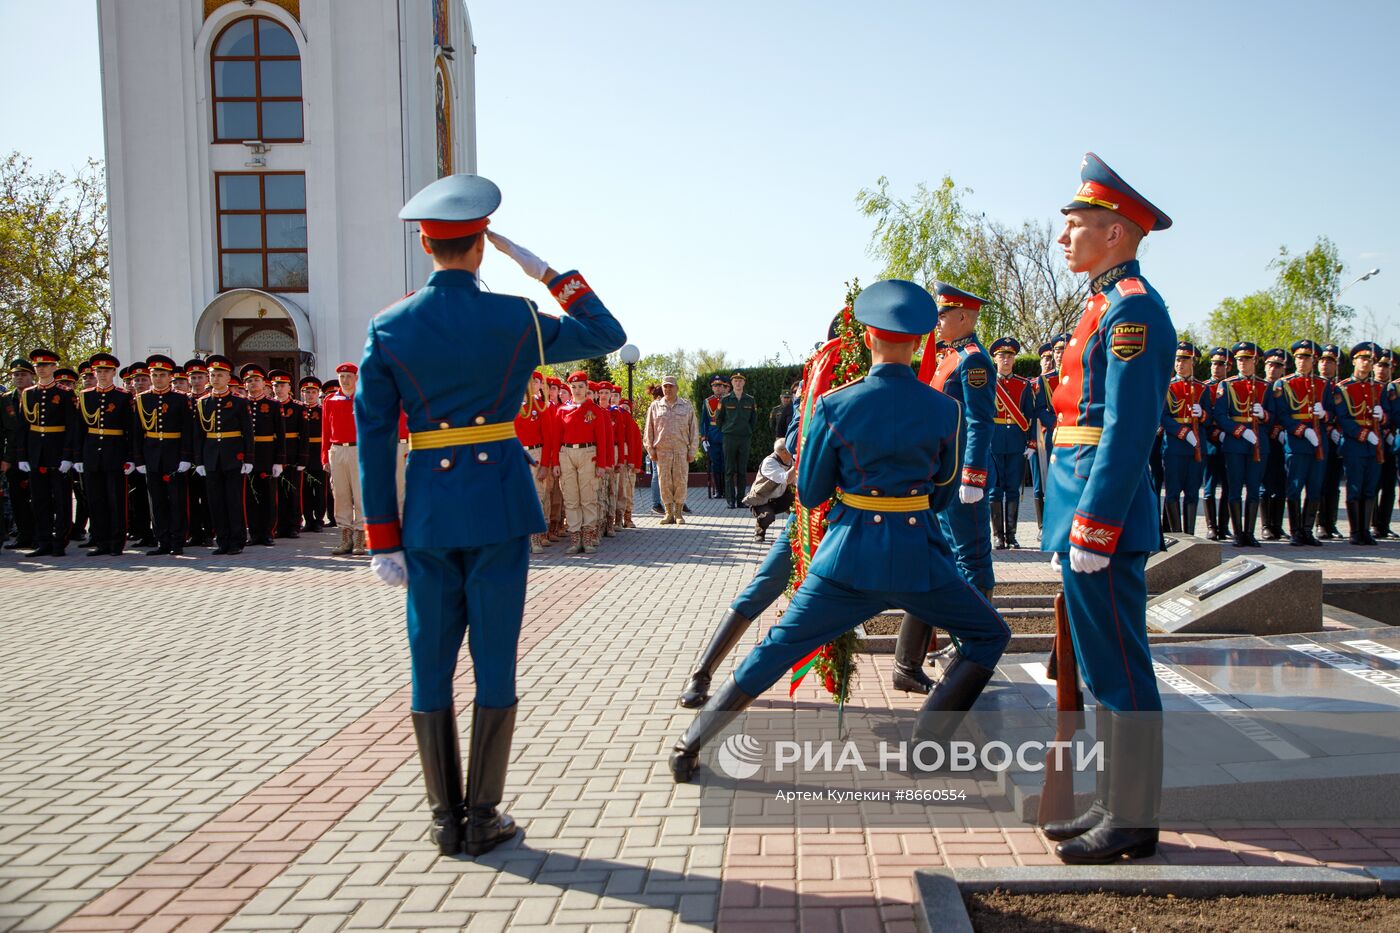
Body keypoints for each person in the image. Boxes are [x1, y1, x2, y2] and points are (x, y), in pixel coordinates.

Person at [354, 173, 625, 857]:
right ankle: (484, 815)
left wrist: (382, 535)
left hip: (428, 516)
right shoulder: (515, 316)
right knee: (496, 657)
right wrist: (540, 269)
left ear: (424, 241)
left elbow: (375, 436)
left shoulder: (388, 326)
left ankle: (445, 817)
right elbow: (607, 332)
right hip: (501, 505)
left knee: (429, 660)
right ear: (483, 245)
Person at [669, 279, 1010, 782]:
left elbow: (810, 492)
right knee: (988, 634)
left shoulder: (833, 404)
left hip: (848, 560)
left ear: (868, 337)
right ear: (919, 343)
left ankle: (688, 745)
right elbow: (941, 491)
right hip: (921, 558)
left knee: (777, 648)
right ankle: (927, 744)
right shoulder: (945, 408)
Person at [1040, 152, 1174, 865]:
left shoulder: (1133, 311)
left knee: (1121, 666)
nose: (1064, 237)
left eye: (1078, 225)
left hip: (1104, 511)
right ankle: (1114, 801)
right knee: (1099, 665)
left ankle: (1134, 817)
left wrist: (1093, 523)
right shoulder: (1102, 304)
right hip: (1081, 502)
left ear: (1116, 234)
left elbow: (1127, 426)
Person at [890, 283, 996, 696]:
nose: (939, 321)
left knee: (972, 564)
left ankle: (970, 653)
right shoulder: (948, 358)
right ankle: (915, 661)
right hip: (941, 479)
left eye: (945, 314)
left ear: (966, 318)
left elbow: (980, 422)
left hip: (960, 483)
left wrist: (972, 475)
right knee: (940, 563)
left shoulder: (973, 361)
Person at [1211, 342, 1274, 548]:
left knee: (1254, 489)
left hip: (1258, 442)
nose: (1243, 363)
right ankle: (1238, 533)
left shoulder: (1265, 386)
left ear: (1255, 361)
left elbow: (1275, 416)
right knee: (1235, 488)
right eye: (1239, 359)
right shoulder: (1226, 385)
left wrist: (1263, 415)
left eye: (1247, 359)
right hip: (1236, 442)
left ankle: (1250, 532)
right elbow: (1220, 415)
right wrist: (1240, 431)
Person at [17, 348, 78, 558]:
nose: (41, 369)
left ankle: (60, 541)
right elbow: (23, 426)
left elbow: (72, 427)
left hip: (57, 450)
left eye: (45, 365)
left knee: (61, 499)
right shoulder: (28, 393)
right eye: (37, 366)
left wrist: (68, 456)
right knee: (39, 499)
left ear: (53, 368)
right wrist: (23, 455)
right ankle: (43, 540)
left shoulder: (64, 392)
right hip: (36, 452)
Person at [544, 372, 613, 553]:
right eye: (573, 387)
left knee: (588, 496)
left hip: (588, 453)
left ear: (587, 388)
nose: (577, 390)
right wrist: (555, 463)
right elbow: (555, 438)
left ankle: (588, 538)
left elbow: (602, 439)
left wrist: (601, 464)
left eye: (581, 387)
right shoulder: (562, 410)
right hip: (566, 454)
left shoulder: (594, 410)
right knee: (571, 497)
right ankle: (575, 538)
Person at [73, 352, 134, 557]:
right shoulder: (85, 395)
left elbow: (130, 429)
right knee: (95, 499)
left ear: (114, 372)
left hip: (114, 452)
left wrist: (130, 457)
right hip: (91, 453)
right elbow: (80, 429)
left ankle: (117, 542)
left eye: (106, 371)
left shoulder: (123, 396)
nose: (102, 374)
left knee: (115, 499)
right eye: (98, 370)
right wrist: (78, 457)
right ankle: (101, 541)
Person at [192, 355, 253, 555]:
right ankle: (222, 540)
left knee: (234, 500)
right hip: (211, 458)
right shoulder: (202, 403)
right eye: (212, 375)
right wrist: (199, 461)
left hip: (233, 456)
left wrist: (248, 458)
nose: (216, 379)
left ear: (228, 378)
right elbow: (199, 435)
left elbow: (247, 433)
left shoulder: (238, 402)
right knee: (215, 501)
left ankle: (237, 540)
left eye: (220, 375)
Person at [134, 355, 194, 556]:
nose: (158, 378)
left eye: (162, 375)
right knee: (156, 501)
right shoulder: (142, 399)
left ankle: (178, 540)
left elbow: (187, 430)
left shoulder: (180, 399)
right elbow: (137, 432)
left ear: (170, 377)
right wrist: (139, 459)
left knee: (176, 501)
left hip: (174, 454)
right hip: (152, 455)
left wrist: (186, 457)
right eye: (155, 375)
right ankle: (162, 540)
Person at [1274, 340, 1328, 546]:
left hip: (1318, 444)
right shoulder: (1284, 384)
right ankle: (1296, 530)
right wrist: (1302, 430)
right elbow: (1282, 414)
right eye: (1298, 357)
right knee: (1294, 487)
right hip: (1297, 443)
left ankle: (1307, 530)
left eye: (1306, 357)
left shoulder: (1324, 385)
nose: (1302, 361)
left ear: (1314, 360)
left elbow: (1334, 412)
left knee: (1314, 488)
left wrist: (1324, 414)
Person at [1333, 342, 1386, 545]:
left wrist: (1383, 417)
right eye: (1362, 359)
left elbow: (1389, 414)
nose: (1366, 363)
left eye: (1370, 360)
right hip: (1355, 444)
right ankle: (1355, 531)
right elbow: (1343, 418)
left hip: (1375, 445)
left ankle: (1366, 530)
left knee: (1371, 488)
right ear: (1354, 361)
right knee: (1355, 487)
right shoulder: (1343, 388)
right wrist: (1363, 434)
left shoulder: (1379, 388)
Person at [988, 337, 1034, 549]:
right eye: (1001, 356)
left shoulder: (1023, 384)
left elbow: (1030, 414)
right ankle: (998, 535)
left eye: (1009, 356)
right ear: (995, 359)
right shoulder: (988, 383)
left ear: (1014, 359)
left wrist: (1031, 442)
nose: (1005, 360)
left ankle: (1012, 535)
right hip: (994, 440)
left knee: (1013, 489)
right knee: (995, 490)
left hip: (1016, 440)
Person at [1159, 342, 1209, 534]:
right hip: (1174, 446)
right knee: (1172, 493)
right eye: (1177, 360)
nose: (1180, 363)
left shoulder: (1202, 388)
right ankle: (1176, 534)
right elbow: (1162, 416)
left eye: (1184, 360)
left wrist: (1202, 414)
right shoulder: (1167, 387)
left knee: (1192, 493)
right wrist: (1183, 432)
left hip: (1196, 448)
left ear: (1192, 362)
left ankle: (1190, 534)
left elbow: (1210, 418)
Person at [239, 364, 286, 547]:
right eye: (249, 381)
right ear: (245, 385)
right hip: (248, 456)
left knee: (268, 495)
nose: (253, 384)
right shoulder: (241, 404)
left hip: (267, 454)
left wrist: (279, 461)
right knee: (250, 497)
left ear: (264, 383)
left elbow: (280, 435)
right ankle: (254, 532)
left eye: (256, 380)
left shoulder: (273, 405)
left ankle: (267, 532)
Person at [644, 375, 699, 525]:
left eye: (671, 386)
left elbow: (694, 430)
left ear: (677, 388)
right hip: (662, 451)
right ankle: (668, 513)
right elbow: (648, 430)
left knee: (681, 481)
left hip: (681, 450)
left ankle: (679, 512)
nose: (668, 389)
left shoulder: (686, 406)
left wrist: (692, 451)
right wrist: (651, 450)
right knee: (664, 482)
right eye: (665, 386)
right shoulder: (655, 407)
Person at [322, 363, 364, 555]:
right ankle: (345, 537)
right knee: (340, 495)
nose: (345, 380)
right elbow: (324, 431)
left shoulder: (364, 398)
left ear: (356, 378)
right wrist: (325, 456)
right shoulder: (331, 400)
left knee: (361, 494)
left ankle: (360, 538)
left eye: (348, 376)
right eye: (341, 377)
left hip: (359, 450)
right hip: (337, 450)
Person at [514, 370, 554, 554]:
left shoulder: (540, 406)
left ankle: (536, 538)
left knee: (537, 496)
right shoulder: (510, 406)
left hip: (535, 454)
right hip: (515, 454)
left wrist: (545, 464)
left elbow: (548, 437)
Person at [2, 359, 37, 551]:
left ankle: (41, 535)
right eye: (15, 375)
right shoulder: (6, 399)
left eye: (23, 374)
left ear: (32, 376)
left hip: (37, 453)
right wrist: (6, 458)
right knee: (17, 498)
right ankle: (24, 535)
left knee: (39, 497)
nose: (19, 378)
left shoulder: (39, 395)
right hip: (14, 456)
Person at [1200, 346, 1232, 540]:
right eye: (1214, 363)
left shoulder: (1231, 386)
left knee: (1228, 486)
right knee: (1210, 485)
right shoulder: (1205, 387)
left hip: (1229, 440)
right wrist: (1214, 433)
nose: (1216, 367)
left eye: (1220, 364)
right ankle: (1211, 525)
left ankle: (1224, 525)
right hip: (1211, 441)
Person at [1027, 340, 1058, 536]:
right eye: (1045, 358)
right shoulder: (1040, 382)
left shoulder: (1066, 378)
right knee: (1040, 483)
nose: (1049, 361)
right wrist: (1056, 422)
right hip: (1044, 437)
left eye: (1051, 357)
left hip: (1068, 435)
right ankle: (1042, 526)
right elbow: (1038, 410)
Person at [270, 370, 306, 539]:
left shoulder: (298, 407)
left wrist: (302, 457)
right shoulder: (269, 405)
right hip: (274, 453)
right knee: (275, 492)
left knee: (292, 491)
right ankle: (277, 525)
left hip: (292, 453)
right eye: (275, 385)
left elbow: (304, 435)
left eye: (282, 385)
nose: (278, 389)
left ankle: (293, 525)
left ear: (289, 387)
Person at [1316, 344, 1346, 539]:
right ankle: (1319, 523)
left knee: (1333, 483)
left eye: (1330, 361)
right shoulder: (1315, 385)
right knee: (1318, 481)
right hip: (1317, 440)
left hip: (1336, 440)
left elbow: (1344, 413)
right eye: (1323, 360)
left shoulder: (1340, 388)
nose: (1325, 364)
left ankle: (1330, 522)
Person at [1259, 348, 1289, 539]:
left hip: (1283, 442)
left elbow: (1287, 411)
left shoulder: (1285, 388)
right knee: (1265, 484)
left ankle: (1277, 525)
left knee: (1281, 485)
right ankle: (1266, 526)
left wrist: (1281, 429)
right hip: (1263, 440)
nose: (1273, 369)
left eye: (1278, 365)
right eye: (1270, 364)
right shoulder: (1259, 386)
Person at [742, 436, 794, 541]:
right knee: (768, 516)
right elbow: (785, 479)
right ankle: (759, 531)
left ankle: (795, 531)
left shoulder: (790, 461)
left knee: (798, 505)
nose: (793, 453)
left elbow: (795, 480)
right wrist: (797, 465)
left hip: (779, 496)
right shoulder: (769, 462)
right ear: (784, 452)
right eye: (791, 450)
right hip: (761, 499)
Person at [717, 372, 756, 508]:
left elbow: (753, 419)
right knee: (729, 470)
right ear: (732, 383)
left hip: (744, 438)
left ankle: (740, 500)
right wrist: (727, 429)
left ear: (744, 383)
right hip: (729, 437)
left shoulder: (750, 400)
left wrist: (748, 431)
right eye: (735, 381)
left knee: (742, 471)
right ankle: (730, 501)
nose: (738, 383)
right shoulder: (725, 400)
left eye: (740, 381)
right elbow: (719, 419)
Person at [1374, 348, 1397, 538]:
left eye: (1387, 366)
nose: (1382, 369)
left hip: (1391, 443)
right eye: (1379, 365)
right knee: (1372, 485)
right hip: (1372, 441)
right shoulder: (1374, 387)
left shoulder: (1393, 389)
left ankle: (1383, 524)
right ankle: (1371, 524)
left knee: (1389, 486)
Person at [299, 377, 327, 533]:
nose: (310, 395)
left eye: (313, 392)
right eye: (307, 392)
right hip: (303, 453)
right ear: (302, 393)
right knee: (305, 490)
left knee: (320, 489)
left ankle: (319, 520)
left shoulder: (322, 410)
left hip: (318, 452)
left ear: (318, 393)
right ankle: (308, 519)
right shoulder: (299, 410)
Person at [700, 376, 727, 498]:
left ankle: (727, 490)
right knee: (716, 464)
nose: (718, 388)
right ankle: (719, 491)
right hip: (713, 436)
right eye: (715, 386)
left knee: (726, 464)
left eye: (720, 385)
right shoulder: (707, 401)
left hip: (726, 435)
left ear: (723, 387)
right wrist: (704, 438)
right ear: (712, 387)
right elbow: (704, 421)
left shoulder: (728, 400)